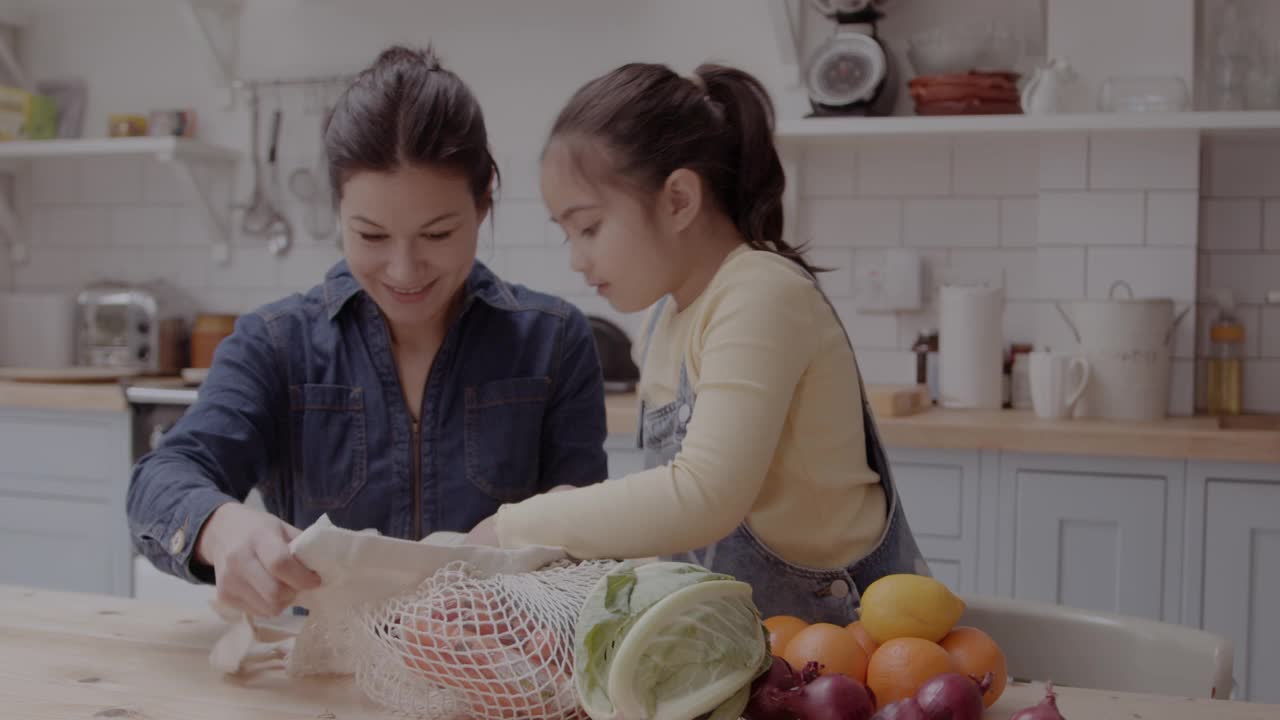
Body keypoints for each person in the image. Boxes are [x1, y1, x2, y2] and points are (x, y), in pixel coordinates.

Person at [127, 46, 609, 618]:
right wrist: (220, 527)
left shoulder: (553, 342)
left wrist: (571, 522)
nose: (404, 271)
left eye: (436, 234)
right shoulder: (277, 344)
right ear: (338, 213)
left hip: (499, 676)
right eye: (372, 236)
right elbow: (161, 479)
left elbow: (588, 538)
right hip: (317, 680)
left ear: (482, 206)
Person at [467, 62, 927, 624]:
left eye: (588, 228)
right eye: (566, 234)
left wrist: (517, 523)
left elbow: (704, 496)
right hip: (742, 636)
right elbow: (675, 514)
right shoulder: (664, 319)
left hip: (842, 645)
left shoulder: (759, 292)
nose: (576, 259)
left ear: (679, 199)